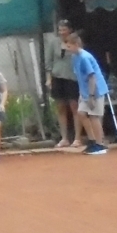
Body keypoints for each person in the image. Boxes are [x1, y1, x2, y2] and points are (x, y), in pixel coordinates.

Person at [64, 32, 109, 156]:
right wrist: (82, 94)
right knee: (81, 113)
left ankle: (100, 145)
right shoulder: (75, 57)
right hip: (85, 92)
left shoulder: (85, 57)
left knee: (94, 116)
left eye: (69, 46)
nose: (67, 49)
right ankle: (92, 140)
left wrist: (91, 96)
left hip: (96, 91)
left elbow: (92, 77)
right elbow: (80, 77)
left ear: (77, 44)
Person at [45, 20, 79, 149]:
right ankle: (64, 138)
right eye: (60, 29)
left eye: (64, 29)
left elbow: (80, 56)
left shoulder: (75, 41)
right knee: (60, 107)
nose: (62, 32)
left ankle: (77, 138)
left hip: (72, 77)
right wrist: (49, 79)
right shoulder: (53, 42)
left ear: (69, 30)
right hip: (57, 77)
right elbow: (49, 62)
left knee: (74, 107)